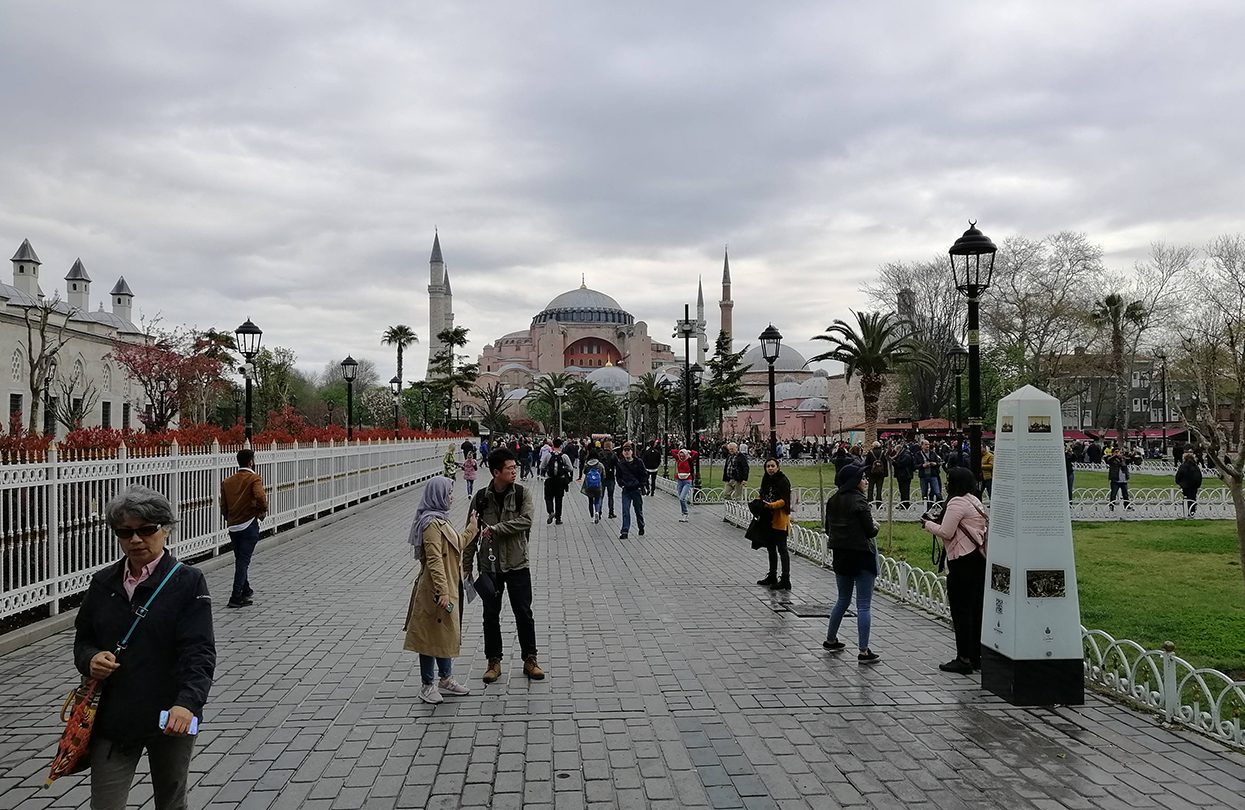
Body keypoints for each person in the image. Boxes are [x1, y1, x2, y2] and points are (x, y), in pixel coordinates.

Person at [75, 485, 215, 810]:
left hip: (171, 717)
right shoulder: (103, 583)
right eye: (125, 532)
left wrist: (187, 704)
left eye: (146, 530)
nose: (135, 540)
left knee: (171, 802)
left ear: (165, 529)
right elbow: (83, 640)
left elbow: (199, 652)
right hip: (114, 718)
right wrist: (91, 658)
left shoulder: (187, 582)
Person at [463, 448, 544, 682]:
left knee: (524, 613)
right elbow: (471, 532)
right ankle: (493, 661)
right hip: (490, 567)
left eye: (514, 467)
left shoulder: (521, 494)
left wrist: (497, 529)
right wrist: (466, 565)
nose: (514, 471)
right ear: (496, 471)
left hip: (518, 563)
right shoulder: (480, 498)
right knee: (490, 615)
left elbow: (526, 521)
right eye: (509, 468)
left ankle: (530, 659)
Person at [403, 476, 473, 704]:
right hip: (434, 589)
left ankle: (446, 678)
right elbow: (434, 560)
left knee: (444, 633)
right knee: (429, 636)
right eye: (449, 493)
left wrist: (473, 528)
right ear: (438, 495)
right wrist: (443, 591)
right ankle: (427, 684)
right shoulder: (430, 524)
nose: (452, 497)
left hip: (448, 586)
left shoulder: (442, 520)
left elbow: (458, 544)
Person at [921, 467, 988, 674]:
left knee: (961, 610)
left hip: (962, 560)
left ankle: (963, 657)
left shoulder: (957, 502)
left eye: (949, 479)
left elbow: (946, 532)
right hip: (978, 558)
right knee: (976, 609)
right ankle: (976, 656)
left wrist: (927, 524)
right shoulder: (974, 500)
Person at [823, 465, 880, 664]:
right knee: (864, 604)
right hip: (862, 556)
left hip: (841, 556)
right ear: (854, 481)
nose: (865, 481)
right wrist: (875, 527)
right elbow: (870, 531)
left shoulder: (833, 500)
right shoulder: (859, 501)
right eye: (862, 478)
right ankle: (864, 651)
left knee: (842, 599)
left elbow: (827, 529)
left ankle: (830, 640)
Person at [218, 448, 268, 609]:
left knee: (240, 558)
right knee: (243, 562)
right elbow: (260, 497)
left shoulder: (227, 481)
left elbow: (223, 505)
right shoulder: (253, 479)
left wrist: (228, 517)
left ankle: (246, 590)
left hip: (233, 526)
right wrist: (261, 511)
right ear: (251, 462)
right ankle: (236, 596)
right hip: (248, 524)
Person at [755, 458, 792, 590]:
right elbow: (762, 494)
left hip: (779, 518)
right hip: (767, 519)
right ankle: (772, 575)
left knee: (782, 549)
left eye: (773, 466)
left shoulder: (783, 481)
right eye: (768, 466)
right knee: (771, 548)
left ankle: (786, 579)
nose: (770, 468)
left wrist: (771, 505)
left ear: (778, 467)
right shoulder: (766, 479)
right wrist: (759, 503)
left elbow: (784, 501)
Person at [615, 442, 647, 539]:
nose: (627, 452)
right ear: (623, 453)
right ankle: (625, 531)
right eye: (625, 451)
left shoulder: (639, 462)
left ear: (632, 452)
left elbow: (644, 474)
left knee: (638, 510)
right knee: (625, 510)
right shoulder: (620, 464)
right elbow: (618, 477)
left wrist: (641, 485)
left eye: (628, 450)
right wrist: (622, 484)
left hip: (636, 490)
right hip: (626, 490)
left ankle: (641, 526)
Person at [540, 438, 573, 524]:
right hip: (560, 480)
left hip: (549, 480)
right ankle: (558, 519)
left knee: (548, 497)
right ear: (561, 446)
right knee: (559, 499)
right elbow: (570, 468)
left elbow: (541, 466)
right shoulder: (564, 456)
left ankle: (551, 512)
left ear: (553, 445)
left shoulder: (548, 455)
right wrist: (563, 468)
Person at [671, 447, 698, 521]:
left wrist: (689, 451)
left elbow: (696, 453)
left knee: (682, 498)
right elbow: (672, 451)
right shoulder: (678, 459)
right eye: (680, 455)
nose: (682, 457)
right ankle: (684, 513)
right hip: (680, 480)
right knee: (681, 498)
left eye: (683, 455)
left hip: (687, 480)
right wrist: (680, 451)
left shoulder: (689, 460)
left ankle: (685, 513)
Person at [1175, 451, 1203, 517]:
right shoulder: (1195, 466)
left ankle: (1187, 511)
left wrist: (1179, 483)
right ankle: (1192, 511)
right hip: (1194, 486)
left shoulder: (1183, 466)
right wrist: (1198, 484)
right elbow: (1199, 476)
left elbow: (1178, 475)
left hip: (1185, 486)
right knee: (1192, 498)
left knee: (1186, 498)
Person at [580, 451, 605, 523]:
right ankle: (597, 511)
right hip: (598, 485)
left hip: (589, 486)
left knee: (590, 501)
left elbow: (584, 472)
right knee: (597, 500)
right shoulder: (600, 465)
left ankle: (592, 516)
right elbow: (604, 475)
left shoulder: (587, 465)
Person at [917, 440, 942, 509]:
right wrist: (922, 465)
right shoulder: (918, 454)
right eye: (925, 444)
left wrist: (935, 464)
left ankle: (937, 505)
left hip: (933, 475)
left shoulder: (933, 453)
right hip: (923, 476)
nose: (927, 446)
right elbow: (914, 465)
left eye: (928, 444)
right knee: (924, 493)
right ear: (922, 446)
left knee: (937, 492)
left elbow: (938, 462)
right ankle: (927, 508)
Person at [891, 441, 915, 509]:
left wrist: (894, 463)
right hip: (902, 475)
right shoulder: (903, 454)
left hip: (905, 475)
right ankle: (903, 504)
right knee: (902, 490)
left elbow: (901, 464)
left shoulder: (906, 455)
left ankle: (905, 504)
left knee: (905, 491)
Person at [598, 439, 619, 518]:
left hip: (601, 478)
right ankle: (611, 513)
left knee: (600, 496)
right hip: (611, 478)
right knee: (610, 496)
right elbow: (618, 466)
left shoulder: (599, 454)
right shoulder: (613, 455)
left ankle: (599, 512)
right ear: (610, 446)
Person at [865, 441, 888, 505]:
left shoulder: (870, 453)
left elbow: (867, 463)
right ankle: (879, 502)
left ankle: (870, 502)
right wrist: (885, 473)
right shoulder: (883, 453)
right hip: (881, 473)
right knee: (879, 488)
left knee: (870, 488)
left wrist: (867, 473)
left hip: (872, 473)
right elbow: (885, 464)